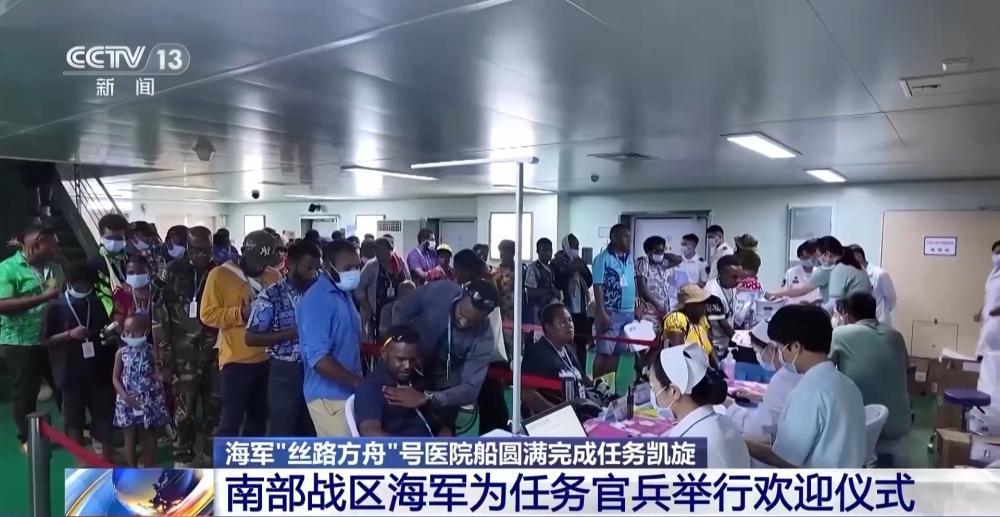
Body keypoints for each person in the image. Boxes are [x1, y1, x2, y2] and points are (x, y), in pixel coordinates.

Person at [745, 304, 866, 468]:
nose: (781, 356)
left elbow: (785, 459)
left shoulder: (807, 392)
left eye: (780, 348)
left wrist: (743, 444)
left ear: (796, 347)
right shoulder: (848, 385)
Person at [201, 230, 281, 437]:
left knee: (258, 419)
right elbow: (207, 315)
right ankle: (225, 457)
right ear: (242, 251)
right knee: (230, 421)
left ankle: (252, 456)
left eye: (265, 263)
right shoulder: (219, 275)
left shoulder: (274, 276)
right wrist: (241, 313)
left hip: (267, 358)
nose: (260, 267)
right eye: (256, 261)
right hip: (235, 360)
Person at [390, 279, 499, 429]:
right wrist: (406, 345)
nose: (464, 324)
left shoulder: (485, 338)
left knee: (442, 431)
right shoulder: (439, 291)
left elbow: (469, 389)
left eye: (472, 323)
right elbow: (400, 309)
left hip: (446, 388)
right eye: (461, 315)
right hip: (409, 367)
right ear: (461, 295)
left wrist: (428, 397)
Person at [153, 226, 219, 467]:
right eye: (197, 249)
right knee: (184, 412)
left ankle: (212, 453)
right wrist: (164, 357)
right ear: (188, 248)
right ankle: (183, 455)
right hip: (183, 355)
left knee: (216, 409)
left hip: (216, 354)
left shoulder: (220, 272)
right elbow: (159, 315)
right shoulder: (171, 272)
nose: (203, 255)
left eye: (207, 250)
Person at [41, 260, 115, 463]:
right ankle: (80, 460)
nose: (84, 287)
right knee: (73, 419)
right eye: (80, 283)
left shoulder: (95, 302)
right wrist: (69, 335)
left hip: (98, 368)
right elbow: (45, 340)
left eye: (87, 284)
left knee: (104, 414)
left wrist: (109, 335)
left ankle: (107, 455)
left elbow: (103, 329)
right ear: (70, 283)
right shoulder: (55, 306)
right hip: (69, 371)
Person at [246, 241, 322, 437]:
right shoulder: (271, 295)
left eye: (317, 268)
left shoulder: (322, 292)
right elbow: (251, 337)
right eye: (308, 268)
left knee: (313, 429)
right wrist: (292, 333)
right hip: (285, 373)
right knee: (283, 429)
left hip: (318, 369)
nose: (314, 274)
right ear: (291, 264)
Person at [0, 223, 62, 450]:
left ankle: (76, 428)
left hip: (52, 339)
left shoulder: (54, 268)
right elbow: (3, 305)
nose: (56, 248)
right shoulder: (7, 269)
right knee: (26, 393)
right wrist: (43, 297)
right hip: (20, 342)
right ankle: (27, 438)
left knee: (63, 385)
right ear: (36, 245)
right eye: (51, 245)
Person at [831, 293, 911, 460]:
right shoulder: (896, 335)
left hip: (864, 423)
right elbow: (907, 369)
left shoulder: (840, 334)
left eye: (838, 314)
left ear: (846, 316)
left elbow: (822, 370)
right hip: (900, 423)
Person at [297, 240, 364, 436]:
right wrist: (357, 382)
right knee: (342, 453)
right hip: (328, 398)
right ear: (327, 267)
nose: (354, 272)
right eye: (348, 268)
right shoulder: (317, 299)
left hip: (347, 393)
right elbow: (318, 359)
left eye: (357, 267)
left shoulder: (343, 294)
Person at [649, 343, 751, 468]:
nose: (652, 393)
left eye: (653, 387)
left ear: (674, 391)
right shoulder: (724, 422)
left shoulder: (686, 445)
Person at [355, 325, 451, 437]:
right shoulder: (371, 387)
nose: (407, 366)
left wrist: (445, 437)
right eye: (400, 359)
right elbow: (370, 433)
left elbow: (436, 425)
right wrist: (414, 446)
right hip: (404, 447)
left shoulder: (415, 380)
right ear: (383, 353)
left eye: (412, 360)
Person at [722, 319, 801, 437]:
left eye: (757, 351)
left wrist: (730, 405)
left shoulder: (783, 379)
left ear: (770, 349)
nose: (758, 356)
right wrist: (761, 396)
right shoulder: (796, 371)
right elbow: (785, 403)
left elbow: (757, 426)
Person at [113, 313, 169, 467]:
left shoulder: (152, 352)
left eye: (135, 331)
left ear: (146, 331)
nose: (130, 336)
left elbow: (158, 374)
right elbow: (115, 378)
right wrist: (125, 396)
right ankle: (131, 468)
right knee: (129, 435)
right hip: (127, 400)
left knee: (148, 433)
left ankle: (149, 466)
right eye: (127, 332)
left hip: (148, 399)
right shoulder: (121, 353)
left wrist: (163, 374)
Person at [767, 236, 871, 313]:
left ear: (828, 253)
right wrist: (815, 303)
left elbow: (834, 303)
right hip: (862, 314)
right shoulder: (854, 264)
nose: (816, 259)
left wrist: (771, 294)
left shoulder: (834, 269)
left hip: (851, 317)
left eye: (817, 256)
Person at [522, 303, 591, 416]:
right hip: (555, 419)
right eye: (562, 323)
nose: (569, 325)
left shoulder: (569, 349)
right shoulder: (539, 353)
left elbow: (581, 379)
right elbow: (526, 393)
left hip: (580, 409)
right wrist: (558, 413)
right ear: (548, 328)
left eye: (570, 320)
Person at [591, 224, 636, 381]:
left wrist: (637, 306)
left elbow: (631, 283)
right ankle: (597, 387)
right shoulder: (602, 259)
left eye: (630, 237)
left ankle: (609, 387)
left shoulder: (629, 258)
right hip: (610, 313)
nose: (629, 240)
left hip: (628, 314)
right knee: (604, 353)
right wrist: (602, 313)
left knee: (617, 353)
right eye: (625, 237)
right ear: (614, 238)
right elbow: (597, 286)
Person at [358, 237, 412, 340]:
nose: (379, 253)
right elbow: (359, 289)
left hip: (397, 309)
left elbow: (409, 284)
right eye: (377, 249)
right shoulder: (371, 266)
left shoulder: (400, 263)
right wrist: (368, 312)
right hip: (376, 311)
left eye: (382, 249)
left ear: (390, 249)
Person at [551, 234, 593, 365]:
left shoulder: (579, 261)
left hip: (581, 310)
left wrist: (580, 267)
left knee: (581, 342)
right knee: (566, 343)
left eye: (577, 245)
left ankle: (581, 371)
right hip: (565, 309)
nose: (576, 248)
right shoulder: (556, 262)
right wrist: (573, 267)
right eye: (573, 245)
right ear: (565, 246)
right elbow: (558, 282)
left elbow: (589, 280)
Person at [975, 239, 1000, 430]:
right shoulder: (993, 274)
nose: (997, 256)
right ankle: (984, 414)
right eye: (995, 252)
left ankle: (994, 418)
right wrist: (982, 310)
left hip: (997, 329)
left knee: (995, 374)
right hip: (990, 328)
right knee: (987, 372)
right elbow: (991, 299)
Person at [635, 235, 684, 331]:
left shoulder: (661, 264)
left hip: (662, 309)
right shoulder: (643, 261)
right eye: (657, 251)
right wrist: (657, 305)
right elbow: (642, 287)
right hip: (648, 309)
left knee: (661, 335)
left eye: (662, 250)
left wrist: (661, 253)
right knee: (649, 336)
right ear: (649, 252)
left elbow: (678, 260)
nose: (660, 253)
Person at [662, 285, 718, 366]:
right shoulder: (677, 319)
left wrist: (719, 368)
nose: (705, 305)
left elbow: (711, 347)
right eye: (701, 302)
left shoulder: (702, 320)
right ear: (690, 305)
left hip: (703, 370)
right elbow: (675, 356)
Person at [90, 213, 130, 316]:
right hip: (106, 313)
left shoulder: (130, 259)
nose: (114, 242)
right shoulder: (94, 263)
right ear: (101, 236)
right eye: (110, 238)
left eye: (119, 238)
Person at [848, 244, 897, 326]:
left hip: (879, 320)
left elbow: (892, 298)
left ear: (859, 257)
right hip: (860, 321)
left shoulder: (880, 274)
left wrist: (883, 312)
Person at [704, 255, 742, 362]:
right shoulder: (712, 292)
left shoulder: (731, 286)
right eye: (734, 276)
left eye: (740, 276)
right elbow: (723, 323)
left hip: (725, 345)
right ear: (721, 273)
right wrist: (742, 341)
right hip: (713, 348)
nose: (738, 280)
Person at [524, 238, 561, 324]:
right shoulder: (533, 268)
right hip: (536, 310)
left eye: (550, 250)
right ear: (537, 252)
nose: (548, 253)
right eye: (544, 250)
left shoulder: (551, 269)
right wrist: (550, 291)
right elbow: (530, 292)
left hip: (549, 309)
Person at [491, 239, 517, 352]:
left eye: (504, 254)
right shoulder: (497, 272)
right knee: (505, 344)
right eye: (500, 253)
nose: (501, 257)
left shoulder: (521, 270)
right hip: (504, 313)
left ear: (513, 254)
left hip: (518, 313)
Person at [112, 255, 155, 320]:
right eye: (131, 273)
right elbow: (118, 323)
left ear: (150, 272)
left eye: (141, 272)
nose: (136, 275)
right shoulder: (122, 298)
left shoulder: (158, 296)